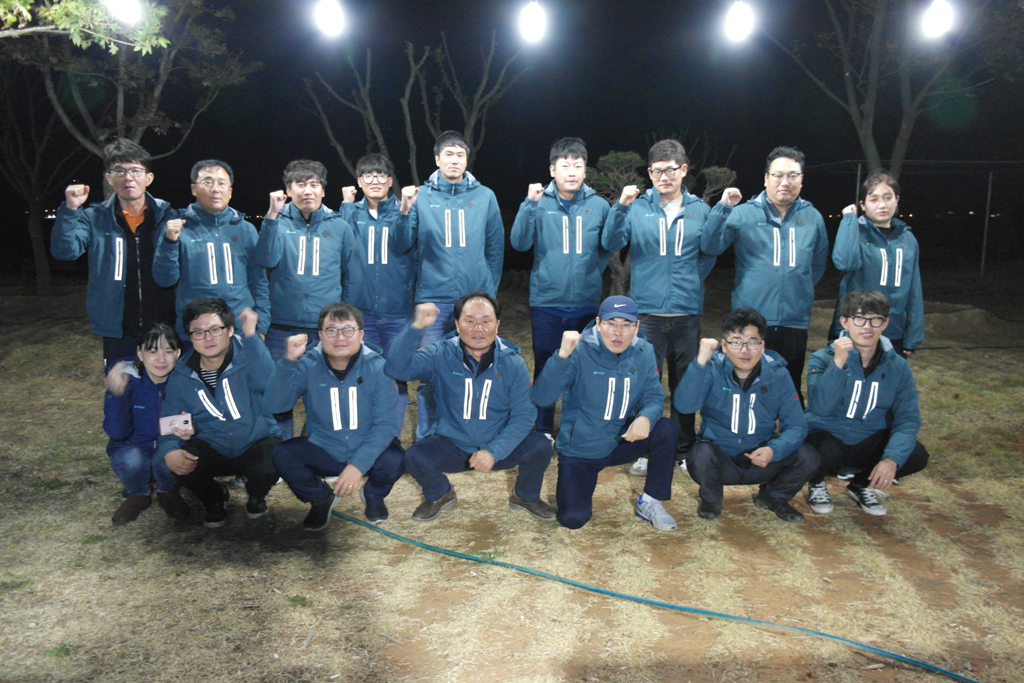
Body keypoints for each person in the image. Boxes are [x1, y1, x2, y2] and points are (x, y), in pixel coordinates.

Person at [384, 292, 555, 522]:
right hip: (454, 446)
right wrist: (416, 328)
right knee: (415, 456)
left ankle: (526, 497)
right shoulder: (440, 354)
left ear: (497, 325)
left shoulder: (512, 362)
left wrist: (494, 451)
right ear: (457, 325)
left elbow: (524, 414)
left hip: (498, 445)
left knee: (541, 444)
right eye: (470, 321)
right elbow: (395, 369)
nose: (478, 328)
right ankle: (439, 494)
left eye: (486, 321)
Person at [602, 138, 716, 474]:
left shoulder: (700, 210)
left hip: (686, 313)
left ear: (684, 170)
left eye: (670, 170)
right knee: (645, 383)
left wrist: (690, 280)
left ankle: (682, 449)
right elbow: (611, 241)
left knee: (685, 384)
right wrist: (621, 206)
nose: (663, 177)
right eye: (656, 171)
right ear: (649, 173)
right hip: (648, 312)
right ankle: (643, 446)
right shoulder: (638, 207)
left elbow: (709, 253)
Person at [532, 296, 679, 530]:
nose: (618, 332)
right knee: (573, 519)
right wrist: (562, 356)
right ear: (599, 324)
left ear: (637, 327)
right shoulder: (579, 351)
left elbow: (653, 396)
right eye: (611, 323)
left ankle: (650, 501)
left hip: (621, 439)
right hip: (582, 448)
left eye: (626, 325)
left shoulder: (644, 350)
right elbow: (542, 398)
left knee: (665, 429)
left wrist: (645, 417)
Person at [394, 131, 505, 439]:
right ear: (437, 159)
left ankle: (471, 436)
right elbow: (401, 244)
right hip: (433, 300)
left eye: (460, 154)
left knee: (477, 371)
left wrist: (488, 295)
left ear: (466, 160)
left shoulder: (485, 196)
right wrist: (404, 209)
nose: (454, 160)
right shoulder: (421, 196)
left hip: (475, 302)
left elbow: (495, 248)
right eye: (448, 154)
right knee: (430, 374)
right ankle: (428, 439)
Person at [701, 146, 829, 402]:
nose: (785, 182)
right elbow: (710, 246)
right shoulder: (743, 213)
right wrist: (723, 208)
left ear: (801, 179)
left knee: (789, 387)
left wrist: (797, 289)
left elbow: (817, 263)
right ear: (766, 178)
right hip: (751, 321)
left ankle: (787, 427)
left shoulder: (812, 216)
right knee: (746, 388)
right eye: (778, 175)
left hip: (794, 320)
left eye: (792, 175)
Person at [267, 303, 406, 531]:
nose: (340, 337)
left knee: (395, 460)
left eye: (348, 330)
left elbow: (385, 425)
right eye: (331, 330)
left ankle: (374, 495)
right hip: (325, 447)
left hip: (365, 445)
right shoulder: (308, 364)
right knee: (283, 454)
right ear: (320, 335)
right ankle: (321, 498)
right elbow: (276, 405)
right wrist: (289, 361)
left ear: (361, 334)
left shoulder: (379, 368)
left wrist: (357, 466)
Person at [674, 308, 817, 523]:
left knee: (808, 456)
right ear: (724, 346)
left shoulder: (777, 373)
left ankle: (773, 497)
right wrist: (701, 361)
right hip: (721, 460)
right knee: (699, 454)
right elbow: (685, 406)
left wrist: (774, 450)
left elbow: (796, 425)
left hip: (762, 459)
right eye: (737, 342)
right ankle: (711, 501)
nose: (745, 350)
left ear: (762, 345)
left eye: (752, 342)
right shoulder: (712, 369)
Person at [510, 137, 611, 436]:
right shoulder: (539, 201)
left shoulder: (599, 205)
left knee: (582, 367)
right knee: (546, 365)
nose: (572, 172)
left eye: (578, 166)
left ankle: (573, 428)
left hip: (585, 302)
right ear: (552, 170)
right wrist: (529, 204)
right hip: (547, 302)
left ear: (585, 170)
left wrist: (590, 273)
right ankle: (542, 429)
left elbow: (605, 248)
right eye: (565, 165)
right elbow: (519, 242)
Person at [51, 138, 177, 369]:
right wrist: (70, 210)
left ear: (148, 178)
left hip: (165, 326)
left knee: (166, 389)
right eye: (119, 171)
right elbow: (65, 251)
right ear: (109, 178)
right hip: (117, 329)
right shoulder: (94, 217)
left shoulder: (168, 216)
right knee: (120, 388)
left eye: (135, 171)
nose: (128, 178)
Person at [803, 290, 930, 516]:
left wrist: (891, 459)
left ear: (885, 323)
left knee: (916, 455)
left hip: (867, 438)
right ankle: (816, 482)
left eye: (876, 320)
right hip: (828, 437)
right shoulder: (822, 357)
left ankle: (861, 484)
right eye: (859, 319)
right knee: (811, 450)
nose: (867, 327)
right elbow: (820, 407)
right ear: (845, 322)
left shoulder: (898, 366)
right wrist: (838, 364)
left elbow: (908, 418)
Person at [158, 298, 281, 528]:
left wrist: (251, 336)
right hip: (211, 445)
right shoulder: (182, 374)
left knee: (274, 458)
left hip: (254, 441)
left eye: (215, 329)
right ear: (189, 337)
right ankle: (214, 498)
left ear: (230, 329)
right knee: (177, 460)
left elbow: (270, 383)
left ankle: (256, 494)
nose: (208, 338)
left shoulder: (249, 355)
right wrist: (169, 450)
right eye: (198, 332)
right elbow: (169, 421)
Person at [254, 159, 353, 439]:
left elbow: (350, 275)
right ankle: (280, 450)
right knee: (278, 399)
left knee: (323, 398)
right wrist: (271, 217)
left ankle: (315, 449)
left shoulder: (339, 226)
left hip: (324, 330)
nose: (307, 190)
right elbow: (265, 260)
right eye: (300, 184)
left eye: (314, 184)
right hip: (281, 328)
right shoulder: (277, 222)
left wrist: (342, 320)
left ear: (323, 190)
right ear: (288, 189)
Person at [338, 153, 416, 434]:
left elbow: (404, 243)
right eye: (368, 176)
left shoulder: (403, 211)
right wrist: (346, 205)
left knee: (396, 376)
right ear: (359, 181)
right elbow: (343, 248)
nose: (375, 181)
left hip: (397, 311)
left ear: (390, 180)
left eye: (381, 175)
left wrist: (404, 210)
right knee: (360, 376)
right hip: (360, 313)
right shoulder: (352, 212)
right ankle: (363, 435)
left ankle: (391, 437)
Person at [152, 159, 270, 344]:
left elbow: (259, 281)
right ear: (194, 189)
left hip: (240, 330)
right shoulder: (178, 228)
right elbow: (164, 280)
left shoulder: (246, 229)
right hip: (196, 331)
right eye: (207, 182)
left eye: (222, 183)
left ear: (230, 191)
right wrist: (169, 242)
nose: (215, 189)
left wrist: (261, 326)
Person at [103, 323, 191, 525]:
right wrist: (117, 394)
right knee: (131, 459)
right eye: (152, 351)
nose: (161, 359)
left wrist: (191, 434)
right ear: (139, 353)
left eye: (168, 351)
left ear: (178, 353)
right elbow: (116, 433)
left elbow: (198, 423)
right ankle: (137, 494)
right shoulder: (126, 379)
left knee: (176, 452)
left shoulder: (185, 381)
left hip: (168, 447)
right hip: (134, 447)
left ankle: (167, 491)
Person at [830, 170, 923, 358]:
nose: (882, 205)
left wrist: (913, 335)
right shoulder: (855, 232)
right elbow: (844, 262)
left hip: (894, 332)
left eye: (888, 198)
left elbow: (914, 289)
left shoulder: (907, 239)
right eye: (873, 200)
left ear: (896, 200)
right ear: (863, 205)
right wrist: (849, 220)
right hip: (855, 332)